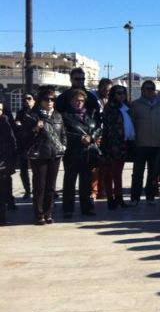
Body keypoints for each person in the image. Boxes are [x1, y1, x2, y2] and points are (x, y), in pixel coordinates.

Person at [23, 86, 67, 225]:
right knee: (39, 186)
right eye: (46, 99)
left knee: (51, 187)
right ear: (40, 100)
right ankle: (39, 214)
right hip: (39, 154)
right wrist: (35, 129)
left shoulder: (57, 115)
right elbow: (24, 136)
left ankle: (48, 213)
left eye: (52, 99)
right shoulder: (32, 115)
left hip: (55, 154)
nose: (49, 102)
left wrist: (64, 146)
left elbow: (63, 133)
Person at [130, 80, 160, 205]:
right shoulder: (135, 104)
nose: (150, 91)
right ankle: (135, 198)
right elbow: (131, 123)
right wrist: (134, 136)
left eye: (152, 88)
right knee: (137, 172)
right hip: (140, 143)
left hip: (157, 143)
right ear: (142, 90)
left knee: (153, 173)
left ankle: (150, 196)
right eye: (147, 88)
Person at [61, 89, 102, 219]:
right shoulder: (64, 115)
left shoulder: (89, 114)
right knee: (69, 183)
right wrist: (79, 138)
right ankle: (68, 209)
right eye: (76, 100)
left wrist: (92, 137)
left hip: (87, 153)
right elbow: (63, 133)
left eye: (81, 101)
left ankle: (86, 207)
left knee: (86, 182)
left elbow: (98, 128)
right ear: (71, 101)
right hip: (72, 153)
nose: (79, 103)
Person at [101, 86, 135, 209]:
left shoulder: (126, 107)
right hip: (112, 144)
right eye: (119, 93)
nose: (122, 95)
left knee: (118, 173)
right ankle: (111, 199)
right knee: (109, 173)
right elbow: (109, 127)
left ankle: (119, 198)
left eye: (124, 93)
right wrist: (113, 144)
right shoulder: (110, 107)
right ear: (113, 94)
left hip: (124, 143)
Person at [90, 77, 112, 200]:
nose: (106, 92)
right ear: (99, 88)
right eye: (104, 89)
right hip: (96, 134)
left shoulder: (112, 100)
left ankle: (102, 189)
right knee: (95, 165)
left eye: (108, 90)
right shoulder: (93, 98)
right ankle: (94, 190)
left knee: (106, 165)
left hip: (109, 135)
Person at [14, 93, 36, 199]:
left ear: (34, 100)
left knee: (37, 170)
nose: (26, 101)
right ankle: (27, 190)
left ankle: (37, 190)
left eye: (29, 98)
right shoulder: (20, 113)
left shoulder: (37, 112)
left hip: (35, 144)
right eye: (25, 99)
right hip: (22, 145)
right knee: (23, 170)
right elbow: (16, 127)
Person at [0, 102, 17, 226]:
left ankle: (2, 218)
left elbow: (11, 142)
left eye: (0, 109)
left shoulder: (5, 123)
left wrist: (10, 162)